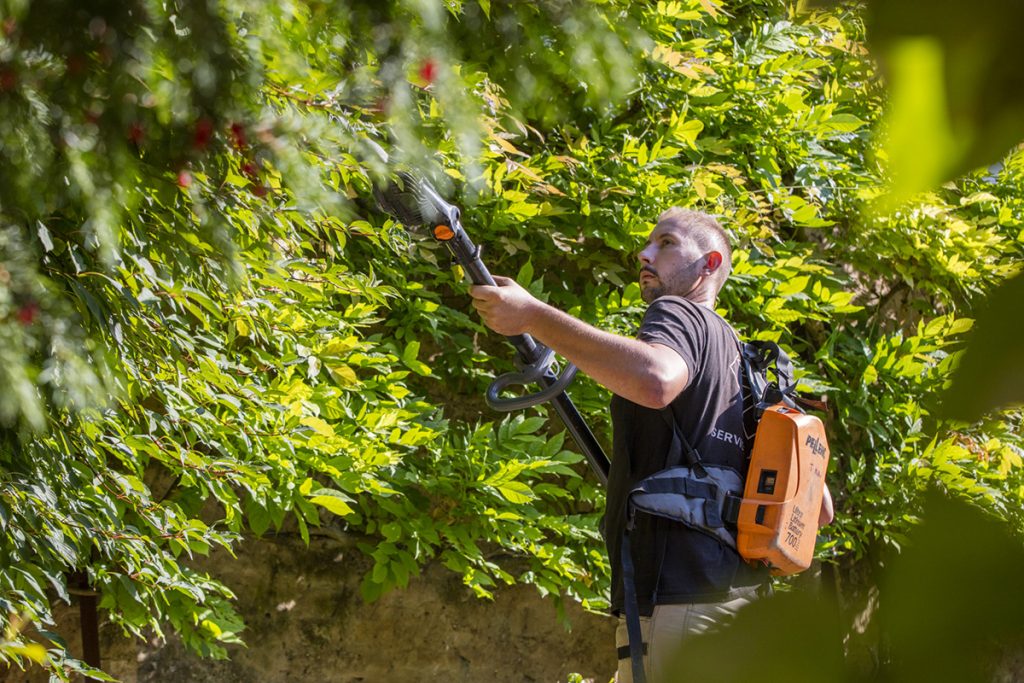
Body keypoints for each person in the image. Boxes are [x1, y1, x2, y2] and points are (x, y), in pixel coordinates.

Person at [469, 208, 833, 682]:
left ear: (708, 263)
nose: (643, 254)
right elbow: (819, 508)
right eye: (646, 244)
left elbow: (656, 380)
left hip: (681, 607)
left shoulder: (679, 312)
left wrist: (533, 315)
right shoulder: (748, 366)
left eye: (666, 243)